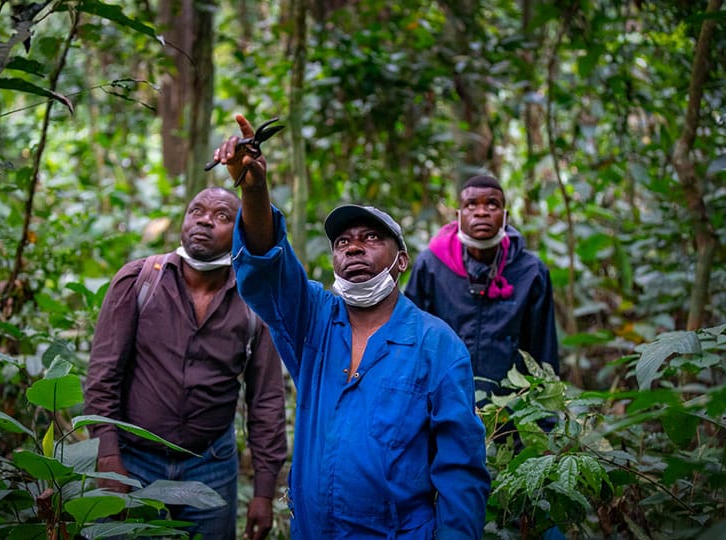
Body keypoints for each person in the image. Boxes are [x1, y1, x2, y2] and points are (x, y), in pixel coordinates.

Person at [210, 114, 490, 539]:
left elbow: (461, 477)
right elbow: (269, 267)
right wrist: (254, 188)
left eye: (372, 238)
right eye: (343, 242)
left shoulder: (439, 347)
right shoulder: (313, 321)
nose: (354, 246)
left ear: (401, 261)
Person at [84, 186, 288, 540]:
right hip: (133, 461)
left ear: (239, 229)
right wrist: (107, 457)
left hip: (210, 464)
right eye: (196, 211)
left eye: (222, 216)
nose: (205, 221)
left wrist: (264, 491)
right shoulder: (138, 281)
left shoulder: (253, 301)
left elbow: (266, 400)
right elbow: (103, 377)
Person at [404, 174, 559, 429]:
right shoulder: (431, 266)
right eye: (471, 205)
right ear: (458, 215)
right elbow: (410, 340)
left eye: (492, 204)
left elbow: (543, 350)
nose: (481, 212)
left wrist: (545, 422)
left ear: (505, 215)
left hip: (510, 412)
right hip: (442, 406)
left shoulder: (531, 272)